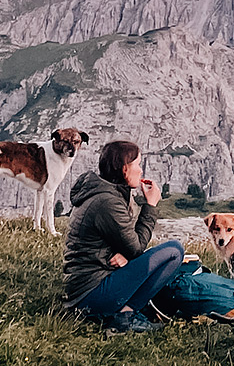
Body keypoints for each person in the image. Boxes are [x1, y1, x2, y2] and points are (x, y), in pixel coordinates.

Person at [63, 139, 186, 335]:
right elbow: (136, 247)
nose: (141, 170)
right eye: (137, 164)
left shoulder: (104, 192)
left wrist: (127, 255)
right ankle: (125, 315)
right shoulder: (107, 202)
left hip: (84, 287)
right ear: (124, 169)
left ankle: (122, 311)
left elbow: (126, 242)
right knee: (173, 251)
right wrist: (151, 206)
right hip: (90, 294)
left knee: (162, 254)